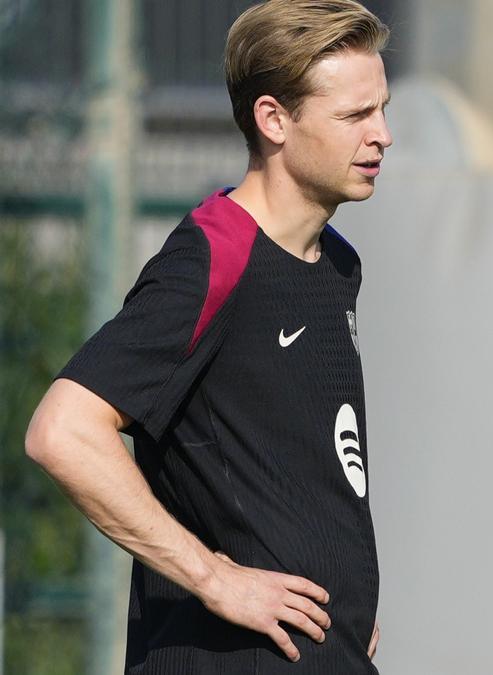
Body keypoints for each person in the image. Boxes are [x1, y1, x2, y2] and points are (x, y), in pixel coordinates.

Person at [24, 1, 392, 671]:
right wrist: (215, 577)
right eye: (354, 116)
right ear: (273, 119)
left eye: (381, 109)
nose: (382, 136)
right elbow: (63, 431)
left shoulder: (338, 265)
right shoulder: (213, 258)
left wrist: (353, 604)